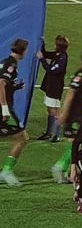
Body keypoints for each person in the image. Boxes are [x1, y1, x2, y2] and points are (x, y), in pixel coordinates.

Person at [51, 49, 82, 185]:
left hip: (79, 115)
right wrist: (64, 114)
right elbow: (71, 93)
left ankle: (65, 169)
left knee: (77, 143)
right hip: (74, 116)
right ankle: (59, 167)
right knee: (75, 143)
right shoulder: (81, 74)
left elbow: (81, 96)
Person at [0, 38, 31, 186]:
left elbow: (5, 85)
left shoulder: (5, 61)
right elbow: (0, 84)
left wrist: (15, 86)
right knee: (22, 137)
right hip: (3, 108)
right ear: (23, 51)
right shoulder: (10, 64)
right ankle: (6, 171)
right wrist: (5, 109)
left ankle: (6, 171)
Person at [35, 35, 69, 142]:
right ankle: (49, 133)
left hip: (55, 87)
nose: (55, 46)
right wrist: (43, 43)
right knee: (50, 109)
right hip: (49, 86)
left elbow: (51, 70)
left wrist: (42, 60)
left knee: (55, 111)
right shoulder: (57, 54)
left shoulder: (62, 58)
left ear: (59, 46)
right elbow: (45, 53)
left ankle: (57, 135)